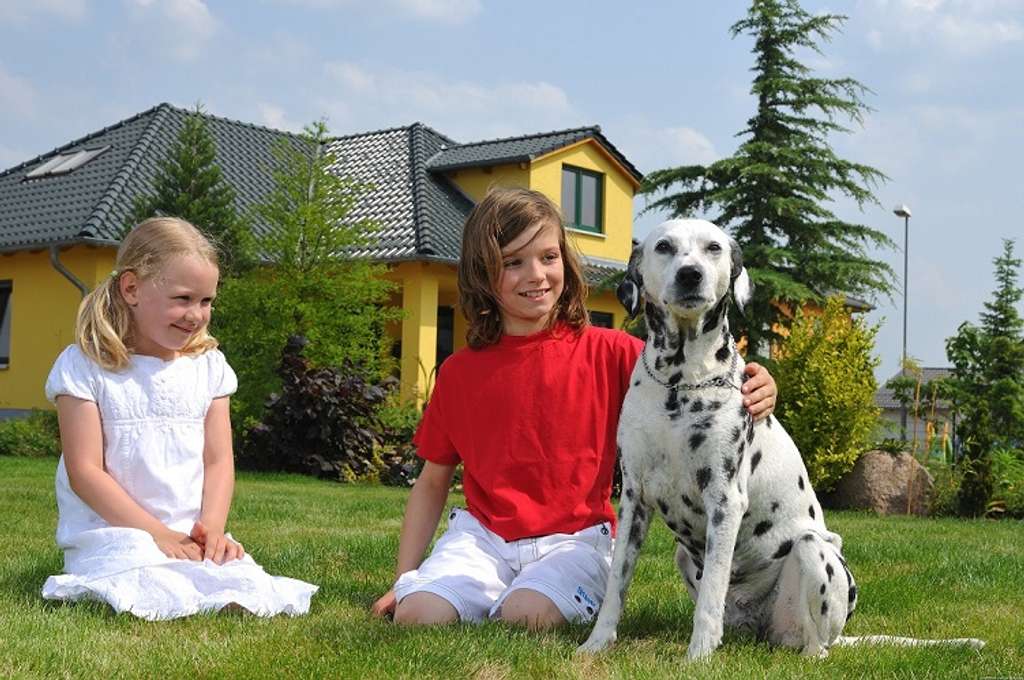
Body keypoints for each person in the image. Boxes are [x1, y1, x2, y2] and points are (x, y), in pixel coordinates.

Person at [370, 187, 777, 629]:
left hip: (576, 541)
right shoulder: (459, 373)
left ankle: (518, 598)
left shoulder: (618, 354)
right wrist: (404, 578)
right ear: (482, 274)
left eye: (548, 257)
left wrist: (761, 386)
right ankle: (466, 591)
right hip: (482, 538)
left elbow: (701, 389)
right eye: (513, 262)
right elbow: (432, 484)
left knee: (526, 616)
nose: (536, 275)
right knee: (417, 616)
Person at [42, 217, 317, 620]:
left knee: (240, 581)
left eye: (206, 302)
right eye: (183, 298)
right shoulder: (85, 367)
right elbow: (86, 472)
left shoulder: (209, 367)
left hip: (184, 535)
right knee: (146, 575)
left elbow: (218, 461)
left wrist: (212, 529)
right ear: (131, 288)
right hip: (114, 531)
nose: (196, 315)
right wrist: (157, 535)